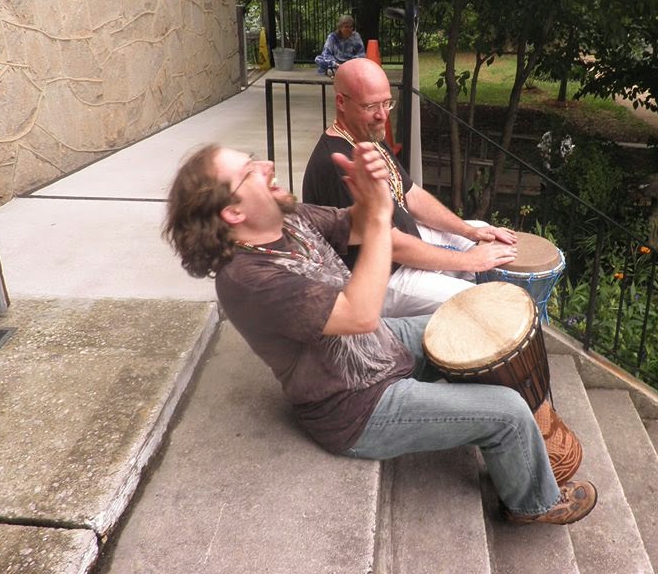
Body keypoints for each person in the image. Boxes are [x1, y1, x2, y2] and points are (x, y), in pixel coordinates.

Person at [163, 143, 597, 526]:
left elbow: (357, 223)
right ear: (233, 212)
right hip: (354, 406)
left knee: (476, 326)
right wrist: (377, 222)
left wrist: (373, 194)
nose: (269, 166)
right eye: (250, 171)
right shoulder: (246, 279)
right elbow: (359, 314)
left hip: (380, 349)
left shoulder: (287, 219)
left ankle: (511, 442)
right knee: (505, 411)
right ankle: (532, 505)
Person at [303, 56, 519, 317]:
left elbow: (411, 194)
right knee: (475, 300)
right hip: (380, 277)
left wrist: (466, 231)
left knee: (483, 230)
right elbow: (390, 243)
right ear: (341, 102)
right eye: (371, 105)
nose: (382, 115)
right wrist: (469, 260)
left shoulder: (367, 133)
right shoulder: (336, 164)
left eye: (386, 102)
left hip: (405, 241)